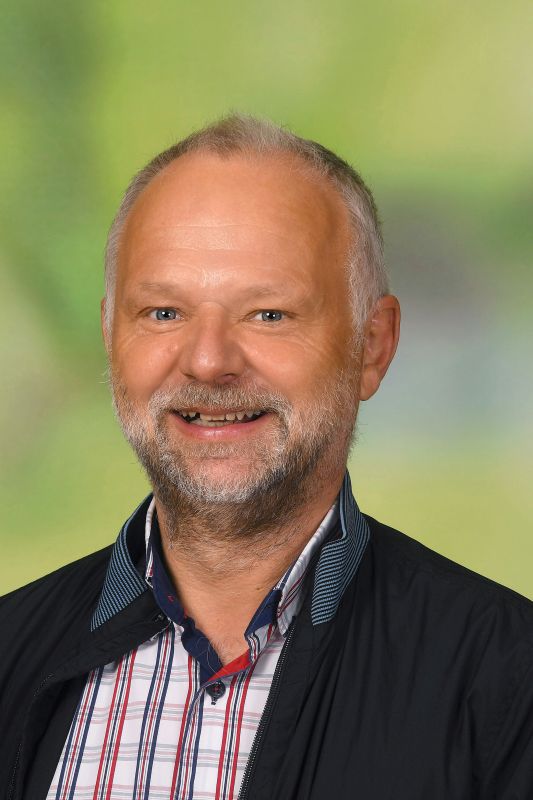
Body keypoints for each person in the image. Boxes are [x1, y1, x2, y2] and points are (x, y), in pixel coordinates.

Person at [1, 115, 532, 800]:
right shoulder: (11, 653)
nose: (207, 360)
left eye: (268, 314)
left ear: (372, 345)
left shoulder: (506, 679)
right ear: (110, 334)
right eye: (163, 312)